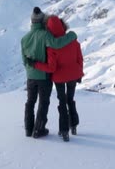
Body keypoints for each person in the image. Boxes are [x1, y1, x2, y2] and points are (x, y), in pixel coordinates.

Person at [21, 7, 77, 139]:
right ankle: (38, 130)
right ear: (42, 21)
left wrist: (30, 69)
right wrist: (72, 35)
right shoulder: (45, 35)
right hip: (43, 75)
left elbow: (24, 60)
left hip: (30, 76)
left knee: (30, 101)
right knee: (43, 102)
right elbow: (57, 44)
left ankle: (28, 129)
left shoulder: (24, 38)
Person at [30, 16, 84, 142]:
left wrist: (35, 64)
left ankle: (64, 131)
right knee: (70, 99)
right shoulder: (74, 41)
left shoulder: (52, 46)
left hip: (59, 77)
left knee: (62, 101)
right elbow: (79, 59)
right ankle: (74, 125)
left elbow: (51, 68)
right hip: (74, 75)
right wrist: (79, 73)